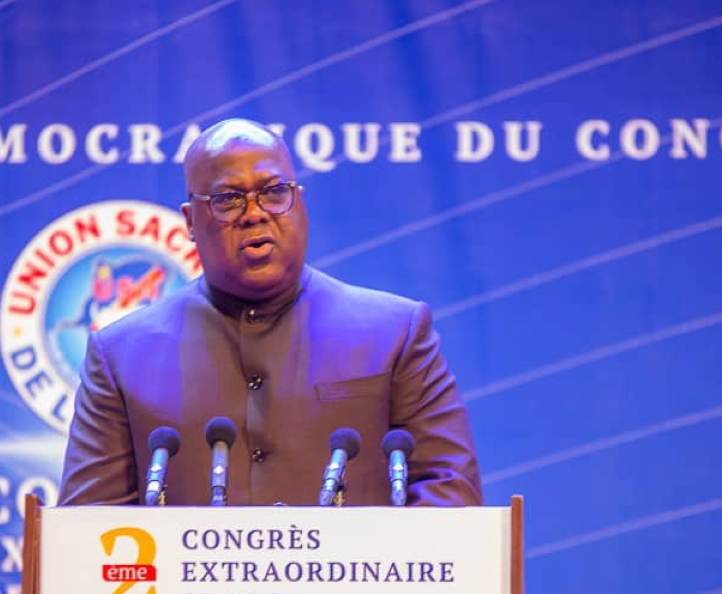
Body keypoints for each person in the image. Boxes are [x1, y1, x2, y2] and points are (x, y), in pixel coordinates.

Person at [60, 118, 481, 507]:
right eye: (228, 199)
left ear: (298, 201)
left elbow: (451, 494)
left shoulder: (395, 334)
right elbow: (86, 529)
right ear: (190, 221)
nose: (255, 213)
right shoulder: (120, 355)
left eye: (274, 192)